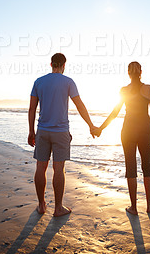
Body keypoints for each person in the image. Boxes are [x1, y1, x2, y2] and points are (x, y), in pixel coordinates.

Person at [28, 53, 97, 217]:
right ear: (64, 65)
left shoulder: (39, 81)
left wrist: (31, 131)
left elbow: (32, 109)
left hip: (43, 131)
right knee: (59, 169)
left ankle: (41, 205)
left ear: (51, 64)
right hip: (61, 132)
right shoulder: (68, 82)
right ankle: (58, 208)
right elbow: (80, 105)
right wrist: (91, 125)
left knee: (40, 167)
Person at [95, 61, 150, 215]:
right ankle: (149, 205)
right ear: (141, 71)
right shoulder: (149, 89)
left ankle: (134, 207)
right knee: (147, 166)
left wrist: (100, 128)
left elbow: (115, 113)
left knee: (131, 167)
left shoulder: (124, 90)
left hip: (128, 131)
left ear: (128, 73)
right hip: (144, 131)